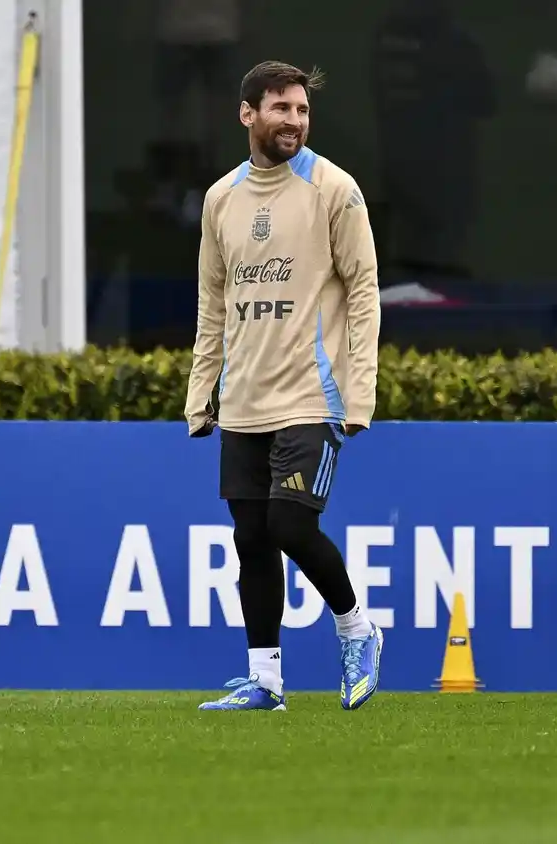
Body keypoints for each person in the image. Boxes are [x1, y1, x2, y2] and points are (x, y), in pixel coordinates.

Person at [183, 60, 383, 711]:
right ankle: (265, 681)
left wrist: (361, 391)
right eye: (280, 109)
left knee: (293, 528)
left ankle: (357, 629)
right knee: (251, 542)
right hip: (242, 401)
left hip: (310, 397)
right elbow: (213, 302)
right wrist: (200, 391)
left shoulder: (335, 190)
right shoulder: (220, 199)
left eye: (301, 109)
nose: (293, 120)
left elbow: (364, 291)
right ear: (248, 114)